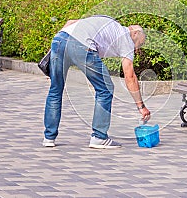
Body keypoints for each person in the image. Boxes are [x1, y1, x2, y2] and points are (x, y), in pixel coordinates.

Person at [43, 15, 151, 149]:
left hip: (59, 40)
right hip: (81, 45)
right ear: (135, 33)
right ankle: (99, 137)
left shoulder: (109, 22)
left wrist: (51, 59)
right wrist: (141, 106)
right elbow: (130, 77)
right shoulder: (126, 39)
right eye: (139, 43)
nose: (136, 49)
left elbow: (70, 22)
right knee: (105, 89)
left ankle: (49, 137)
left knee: (55, 89)